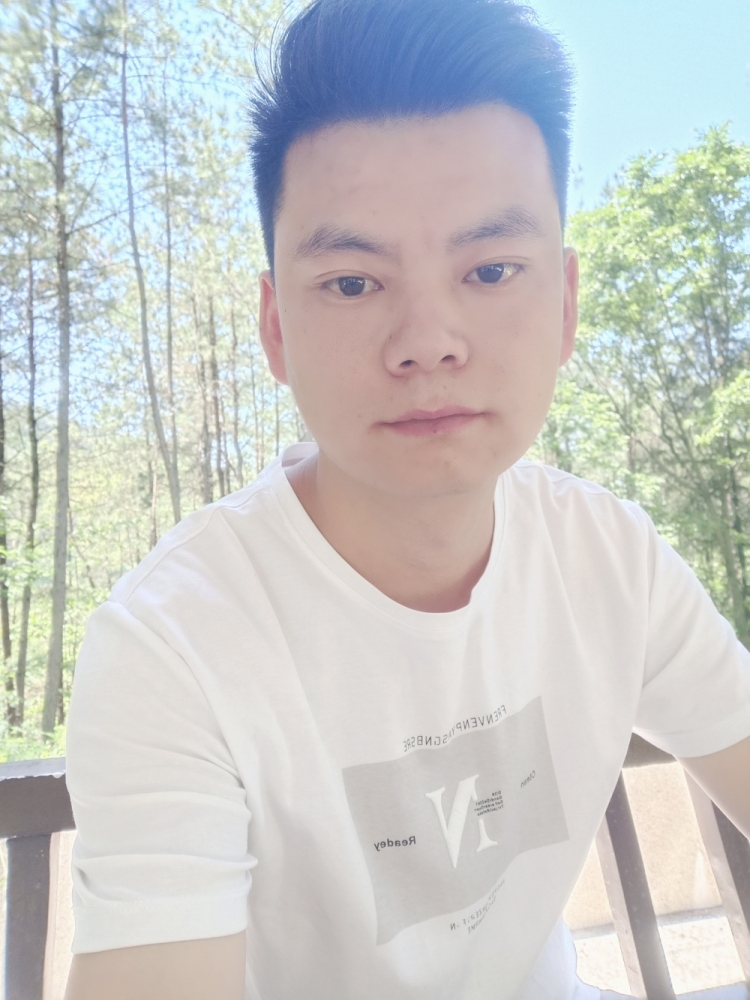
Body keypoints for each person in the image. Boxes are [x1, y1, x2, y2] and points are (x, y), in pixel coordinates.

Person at [63, 0, 750, 998]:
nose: (428, 341)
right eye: (352, 283)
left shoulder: (609, 557)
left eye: (491, 269)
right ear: (275, 329)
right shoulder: (173, 645)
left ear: (565, 304)